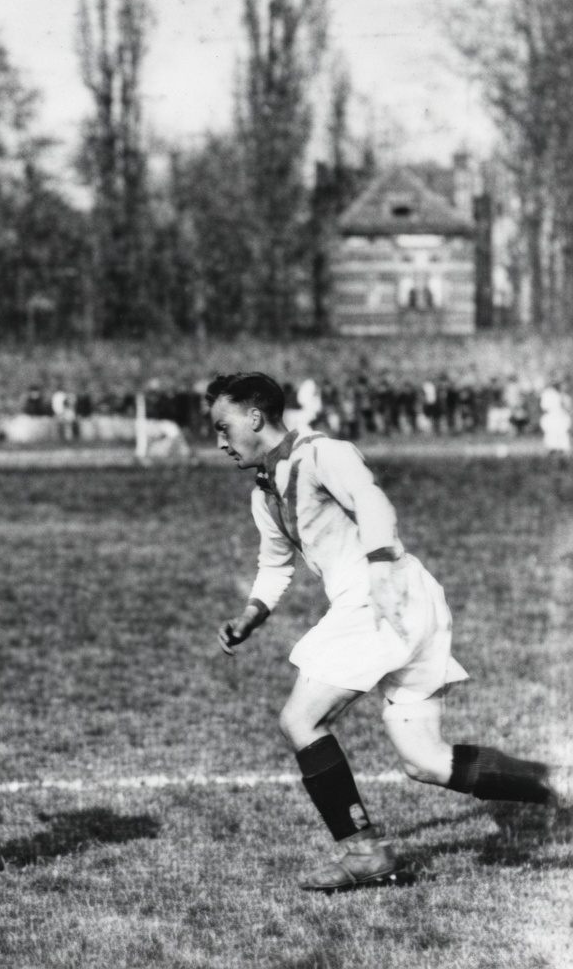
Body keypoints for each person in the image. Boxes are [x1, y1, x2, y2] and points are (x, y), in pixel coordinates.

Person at [207, 371, 562, 891]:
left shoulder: (321, 452)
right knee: (426, 761)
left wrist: (378, 566)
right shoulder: (264, 493)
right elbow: (275, 562)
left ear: (255, 417)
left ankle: (364, 852)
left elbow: (372, 500)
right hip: (403, 603)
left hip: (381, 598)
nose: (219, 441)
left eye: (223, 426)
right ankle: (558, 782)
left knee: (300, 720)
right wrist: (252, 614)